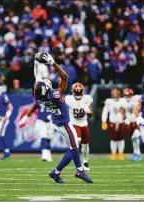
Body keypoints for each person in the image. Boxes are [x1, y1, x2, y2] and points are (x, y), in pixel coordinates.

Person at [33, 52, 92, 183]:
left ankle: (80, 170)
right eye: (46, 83)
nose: (47, 81)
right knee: (74, 148)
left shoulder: (38, 93)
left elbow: (37, 76)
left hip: (57, 121)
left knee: (74, 145)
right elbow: (65, 77)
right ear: (48, 89)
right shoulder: (54, 96)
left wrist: (36, 62)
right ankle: (56, 171)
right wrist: (53, 63)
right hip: (65, 124)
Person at [65, 82, 93, 170]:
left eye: (79, 91)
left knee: (85, 145)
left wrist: (88, 111)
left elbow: (91, 115)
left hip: (84, 123)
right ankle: (76, 161)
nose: (78, 93)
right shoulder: (68, 99)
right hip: (74, 123)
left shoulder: (87, 98)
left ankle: (85, 161)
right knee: (77, 141)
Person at [120, 88, 142, 161]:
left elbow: (143, 100)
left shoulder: (136, 98)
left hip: (136, 121)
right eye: (126, 95)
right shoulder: (123, 101)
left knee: (136, 136)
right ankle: (135, 153)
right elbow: (122, 110)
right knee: (133, 138)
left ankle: (138, 153)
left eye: (129, 95)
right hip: (129, 122)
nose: (128, 96)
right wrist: (124, 119)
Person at [102, 88, 124, 160]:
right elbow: (105, 111)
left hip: (121, 122)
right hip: (112, 122)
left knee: (121, 138)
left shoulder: (123, 101)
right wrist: (104, 121)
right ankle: (113, 153)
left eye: (117, 95)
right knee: (113, 139)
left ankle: (120, 153)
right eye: (114, 95)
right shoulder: (109, 101)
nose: (115, 96)